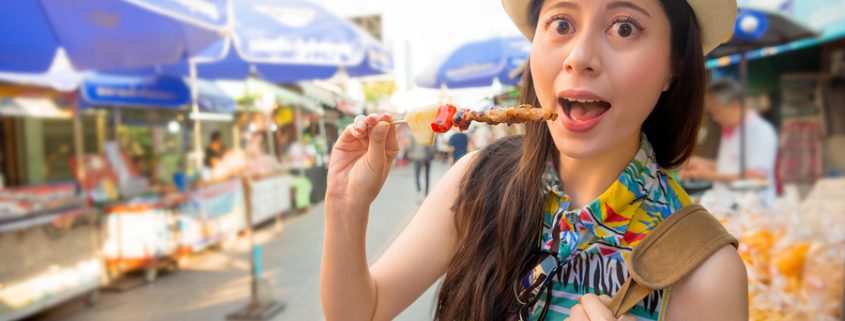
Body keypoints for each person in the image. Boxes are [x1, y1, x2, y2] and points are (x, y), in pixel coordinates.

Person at [322, 0, 748, 320]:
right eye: (561, 23)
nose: (579, 56)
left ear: (673, 65)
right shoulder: (475, 182)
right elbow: (364, 310)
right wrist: (344, 207)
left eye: (624, 27)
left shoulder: (705, 268)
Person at [681, 80, 778, 207]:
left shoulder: (760, 131)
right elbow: (733, 165)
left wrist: (708, 175)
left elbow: (756, 177)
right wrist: (704, 163)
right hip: (728, 207)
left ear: (734, 106)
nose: (715, 118)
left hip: (752, 210)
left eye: (717, 111)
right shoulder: (731, 130)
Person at [406, 132, 435, 197]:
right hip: (427, 156)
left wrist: (410, 154)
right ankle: (426, 191)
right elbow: (432, 145)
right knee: (427, 174)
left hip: (417, 156)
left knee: (417, 174)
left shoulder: (412, 133)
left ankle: (418, 190)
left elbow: (410, 146)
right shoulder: (428, 131)